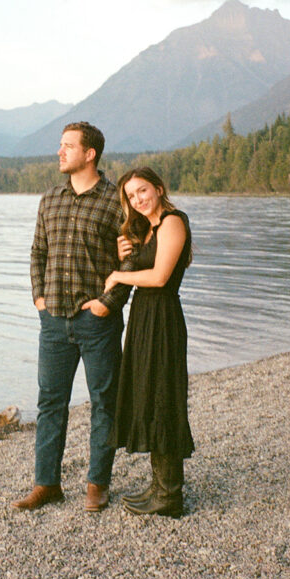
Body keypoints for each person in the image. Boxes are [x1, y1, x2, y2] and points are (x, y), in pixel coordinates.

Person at [12, 122, 132, 512]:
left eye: (68, 146)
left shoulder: (117, 201)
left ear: (90, 153)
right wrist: (39, 298)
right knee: (50, 403)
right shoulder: (49, 199)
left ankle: (98, 484)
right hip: (53, 321)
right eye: (60, 145)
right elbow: (37, 254)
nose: (60, 152)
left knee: (104, 403)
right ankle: (46, 484)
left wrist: (107, 304)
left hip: (97, 321)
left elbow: (130, 260)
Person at [103, 166, 194, 517]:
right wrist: (124, 249)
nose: (137, 200)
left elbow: (159, 276)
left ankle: (170, 495)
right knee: (150, 395)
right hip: (145, 317)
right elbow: (140, 267)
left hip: (163, 318)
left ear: (158, 188)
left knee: (164, 397)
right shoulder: (149, 228)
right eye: (130, 196)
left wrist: (115, 275)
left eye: (142, 191)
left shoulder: (173, 221)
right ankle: (159, 486)